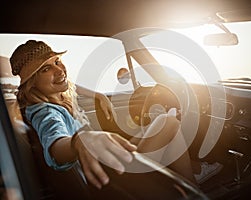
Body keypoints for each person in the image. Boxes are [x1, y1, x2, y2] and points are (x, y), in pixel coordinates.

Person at [10, 40, 222, 190]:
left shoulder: (49, 97)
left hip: (107, 166)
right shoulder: (45, 112)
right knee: (167, 122)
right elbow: (55, 144)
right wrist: (79, 140)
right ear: (32, 82)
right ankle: (192, 183)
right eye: (46, 69)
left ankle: (189, 178)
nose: (59, 70)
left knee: (161, 124)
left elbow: (72, 85)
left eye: (57, 61)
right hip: (111, 180)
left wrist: (99, 95)